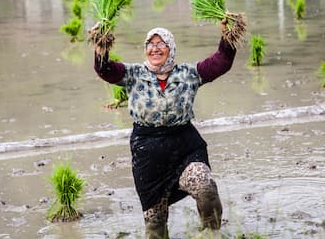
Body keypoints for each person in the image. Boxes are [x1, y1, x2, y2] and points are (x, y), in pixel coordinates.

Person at [92, 19, 236, 239]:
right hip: (148, 155)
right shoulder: (133, 74)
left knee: (205, 188)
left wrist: (228, 36)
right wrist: (101, 46)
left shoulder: (189, 73)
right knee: (155, 225)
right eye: (150, 44)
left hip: (184, 146)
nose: (155, 48)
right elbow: (105, 70)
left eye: (161, 43)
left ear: (171, 48)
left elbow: (222, 62)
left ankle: (212, 233)